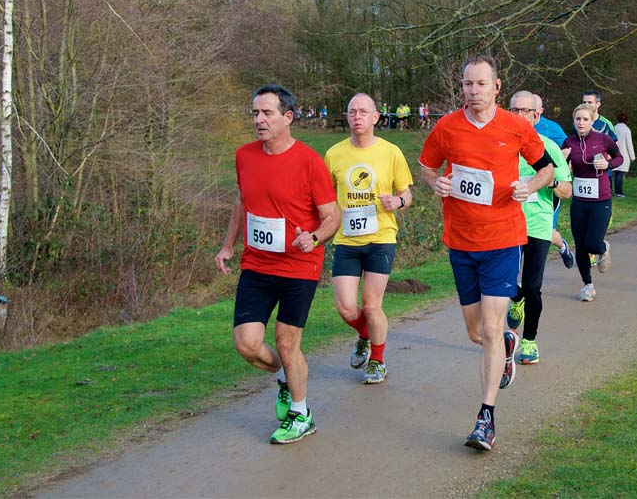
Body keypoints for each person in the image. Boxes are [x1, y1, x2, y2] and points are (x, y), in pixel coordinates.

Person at [419, 55, 554, 451]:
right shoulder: (447, 127)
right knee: (476, 332)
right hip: (461, 242)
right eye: (467, 84)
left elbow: (547, 169)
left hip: (502, 239)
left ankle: (486, 418)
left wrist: (530, 185)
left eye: (481, 84)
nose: (473, 91)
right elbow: (427, 167)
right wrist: (436, 184)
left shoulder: (515, 126)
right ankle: (508, 344)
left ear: (496, 87)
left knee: (491, 329)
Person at [215, 85, 341, 445]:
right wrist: (227, 246)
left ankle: (301, 414)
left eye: (267, 113)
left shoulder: (309, 162)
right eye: (255, 113)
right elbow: (242, 201)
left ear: (288, 117)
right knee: (247, 344)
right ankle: (286, 378)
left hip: (299, 265)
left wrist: (314, 237)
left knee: (287, 341)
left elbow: (332, 216)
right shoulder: (244, 156)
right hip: (257, 264)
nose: (259, 120)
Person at [324, 93, 413, 385]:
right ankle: (365, 334)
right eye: (352, 112)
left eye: (363, 112)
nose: (357, 117)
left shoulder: (391, 152)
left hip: (381, 238)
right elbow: (324, 198)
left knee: (372, 305)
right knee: (346, 307)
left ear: (375, 117)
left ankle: (377, 360)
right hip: (347, 240)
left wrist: (397, 202)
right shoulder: (334, 154)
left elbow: (407, 194)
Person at [505, 91, 572, 364]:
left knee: (533, 286)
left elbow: (567, 190)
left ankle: (529, 341)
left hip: (537, 226)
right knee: (505, 283)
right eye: (515, 110)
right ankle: (516, 296)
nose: (520, 115)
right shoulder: (501, 146)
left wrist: (549, 181)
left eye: (525, 111)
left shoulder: (549, 148)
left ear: (536, 115)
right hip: (506, 224)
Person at [562, 103, 622, 300]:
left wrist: (607, 164)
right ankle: (588, 285)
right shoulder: (569, 142)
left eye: (585, 119)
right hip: (579, 201)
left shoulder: (602, 139)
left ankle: (603, 248)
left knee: (592, 243)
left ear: (591, 121)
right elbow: (562, 170)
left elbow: (620, 157)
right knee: (580, 245)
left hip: (600, 199)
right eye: (578, 119)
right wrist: (562, 160)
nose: (581, 123)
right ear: (574, 121)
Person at [533, 94, 574, 268]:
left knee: (546, 232)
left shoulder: (551, 128)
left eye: (533, 109)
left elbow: (569, 146)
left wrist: (565, 159)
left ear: (540, 111)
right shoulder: (511, 128)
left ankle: (562, 246)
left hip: (546, 189)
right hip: (522, 188)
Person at [612, 113, 636, 198]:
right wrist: (632, 157)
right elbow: (629, 144)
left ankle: (616, 192)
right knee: (621, 174)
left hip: (614, 154)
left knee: (616, 174)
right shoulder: (627, 130)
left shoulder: (613, 128)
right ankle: (619, 192)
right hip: (624, 155)